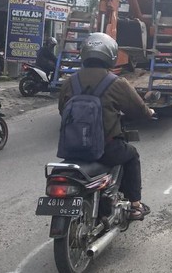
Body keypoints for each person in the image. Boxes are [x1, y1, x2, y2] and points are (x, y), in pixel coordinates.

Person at [58, 33, 155, 220]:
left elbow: (63, 111)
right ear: (110, 55)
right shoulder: (116, 82)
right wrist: (149, 113)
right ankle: (135, 205)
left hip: (71, 147)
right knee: (131, 154)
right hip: (106, 149)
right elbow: (138, 109)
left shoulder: (70, 81)